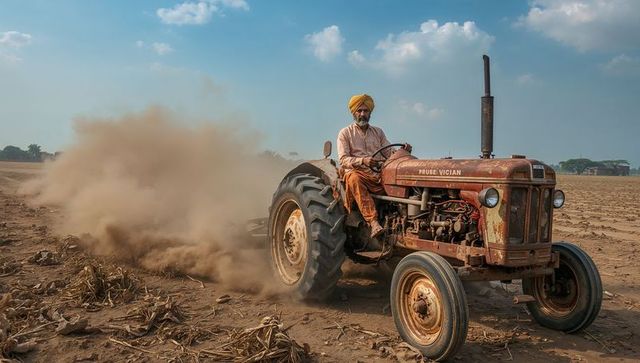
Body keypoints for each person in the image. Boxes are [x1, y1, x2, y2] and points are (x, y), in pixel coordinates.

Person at [337, 94, 411, 238]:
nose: (362, 114)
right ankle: (373, 222)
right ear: (353, 113)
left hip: (378, 175)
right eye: (359, 111)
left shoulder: (378, 132)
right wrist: (363, 161)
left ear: (370, 113)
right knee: (353, 178)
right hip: (359, 174)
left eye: (366, 111)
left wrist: (403, 151)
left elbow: (389, 152)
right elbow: (343, 159)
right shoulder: (345, 133)